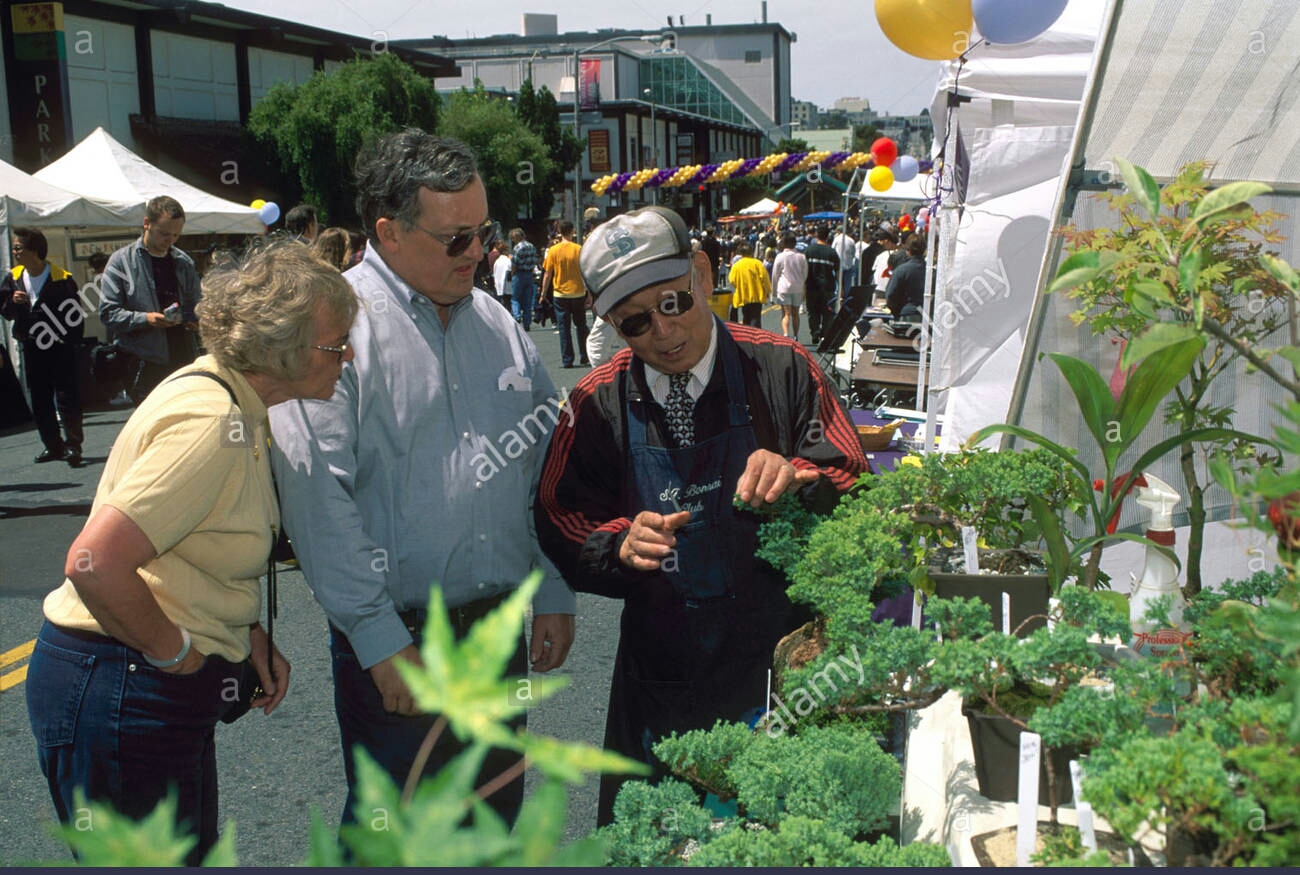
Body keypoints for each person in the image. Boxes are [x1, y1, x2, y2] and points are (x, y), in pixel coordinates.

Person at [269, 130, 576, 829]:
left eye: (485, 233)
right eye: (456, 239)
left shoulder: (498, 323)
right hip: (402, 649)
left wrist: (553, 584)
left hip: (498, 638)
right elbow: (317, 498)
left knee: (492, 826)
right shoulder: (333, 327)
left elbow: (542, 464)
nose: (478, 253)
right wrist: (379, 640)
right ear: (389, 231)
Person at [533, 205, 867, 825]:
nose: (663, 332)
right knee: (654, 841)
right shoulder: (594, 401)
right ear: (608, 323)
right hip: (661, 672)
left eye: (674, 302)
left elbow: (852, 474)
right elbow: (558, 514)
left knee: (781, 840)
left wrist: (800, 479)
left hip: (782, 665)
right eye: (634, 322)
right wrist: (617, 544)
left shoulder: (783, 367)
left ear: (701, 269)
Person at [25, 241, 354, 865]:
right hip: (121, 679)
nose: (349, 355)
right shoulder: (213, 423)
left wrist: (241, 629)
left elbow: (188, 546)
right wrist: (178, 657)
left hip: (123, 677)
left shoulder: (228, 401)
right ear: (281, 348)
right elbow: (94, 562)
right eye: (335, 345)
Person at [99, 195, 201, 403]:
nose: (170, 240)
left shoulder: (183, 261)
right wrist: (146, 319)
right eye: (164, 233)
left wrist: (194, 318)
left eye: (176, 235)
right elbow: (108, 313)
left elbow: (198, 305)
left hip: (183, 358)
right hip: (143, 362)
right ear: (146, 223)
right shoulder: (121, 262)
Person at [1, 228, 85, 465]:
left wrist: (69, 339)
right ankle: (52, 445)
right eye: (14, 248)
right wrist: (11, 301)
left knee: (67, 395)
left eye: (19, 248)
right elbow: (4, 309)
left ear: (34, 251)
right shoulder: (14, 277)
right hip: (31, 344)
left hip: (59, 345)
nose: (15, 252)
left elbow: (75, 314)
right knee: (39, 397)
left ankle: (74, 446)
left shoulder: (61, 277)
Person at [542, 220, 590, 368]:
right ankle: (585, 355)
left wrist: (543, 293)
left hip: (560, 294)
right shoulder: (579, 249)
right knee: (581, 326)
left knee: (564, 328)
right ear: (572, 231)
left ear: (559, 232)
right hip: (578, 292)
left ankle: (567, 359)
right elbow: (585, 272)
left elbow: (548, 274)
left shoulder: (553, 251)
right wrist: (589, 293)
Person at [803, 225, 840, 347]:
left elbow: (803, 270)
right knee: (828, 313)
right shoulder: (832, 253)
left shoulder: (808, 250)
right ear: (828, 236)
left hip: (811, 287)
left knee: (812, 311)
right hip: (828, 288)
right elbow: (838, 273)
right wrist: (841, 289)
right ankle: (825, 333)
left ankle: (814, 332)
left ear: (816, 235)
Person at [770, 231, 808, 341]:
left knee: (786, 313)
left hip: (784, 287)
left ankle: (786, 334)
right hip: (798, 287)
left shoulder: (780, 257)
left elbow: (775, 275)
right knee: (795, 313)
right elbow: (805, 273)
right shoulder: (801, 256)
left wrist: (773, 291)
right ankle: (796, 335)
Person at [885, 232, 928, 320]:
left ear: (908, 250)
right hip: (926, 316)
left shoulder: (901, 270)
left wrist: (895, 311)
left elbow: (890, 295)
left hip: (905, 315)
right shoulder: (931, 271)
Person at [728, 243, 770, 328]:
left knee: (746, 317)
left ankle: (747, 336)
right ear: (751, 252)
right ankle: (756, 337)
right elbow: (765, 279)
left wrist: (739, 285)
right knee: (755, 318)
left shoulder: (736, 265)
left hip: (743, 295)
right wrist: (767, 291)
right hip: (757, 295)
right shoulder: (757, 263)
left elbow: (731, 279)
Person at [509, 227, 539, 331]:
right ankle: (527, 323)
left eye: (513, 238)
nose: (512, 240)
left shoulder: (517, 248)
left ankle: (517, 316)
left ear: (517, 237)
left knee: (515, 298)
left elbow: (514, 263)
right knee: (527, 301)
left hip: (519, 274)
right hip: (529, 274)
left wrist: (512, 275)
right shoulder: (531, 246)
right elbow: (535, 259)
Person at [490, 238, 513, 310]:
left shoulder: (497, 261)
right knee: (508, 306)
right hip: (507, 287)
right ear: (505, 251)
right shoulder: (507, 261)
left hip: (498, 287)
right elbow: (510, 272)